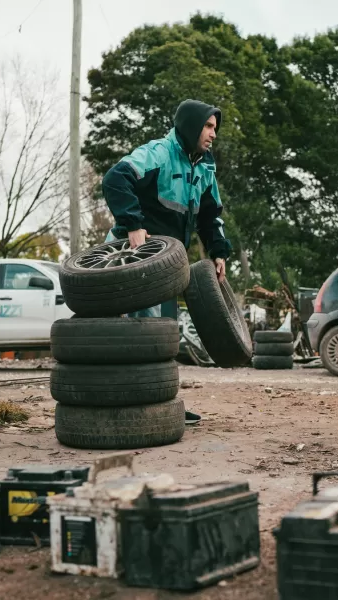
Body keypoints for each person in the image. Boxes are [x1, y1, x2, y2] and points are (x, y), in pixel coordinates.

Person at [102, 99, 232, 426]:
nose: (213, 134)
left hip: (167, 264)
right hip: (131, 255)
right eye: (208, 126)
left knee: (166, 336)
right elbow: (116, 179)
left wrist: (218, 251)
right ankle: (134, 406)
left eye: (215, 128)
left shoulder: (205, 166)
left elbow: (210, 215)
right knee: (142, 334)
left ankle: (163, 401)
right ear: (191, 125)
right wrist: (133, 225)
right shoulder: (159, 153)